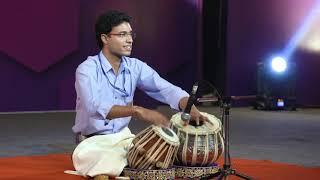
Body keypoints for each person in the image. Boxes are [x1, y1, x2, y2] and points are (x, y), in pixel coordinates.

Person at [71, 10, 207, 180]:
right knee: (104, 157)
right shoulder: (87, 69)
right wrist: (137, 111)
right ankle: (119, 166)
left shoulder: (135, 66)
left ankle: (118, 167)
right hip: (92, 142)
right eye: (122, 35)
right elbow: (93, 107)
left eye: (130, 34)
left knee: (165, 154)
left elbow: (164, 88)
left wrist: (187, 104)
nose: (129, 40)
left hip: (123, 138)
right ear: (105, 38)